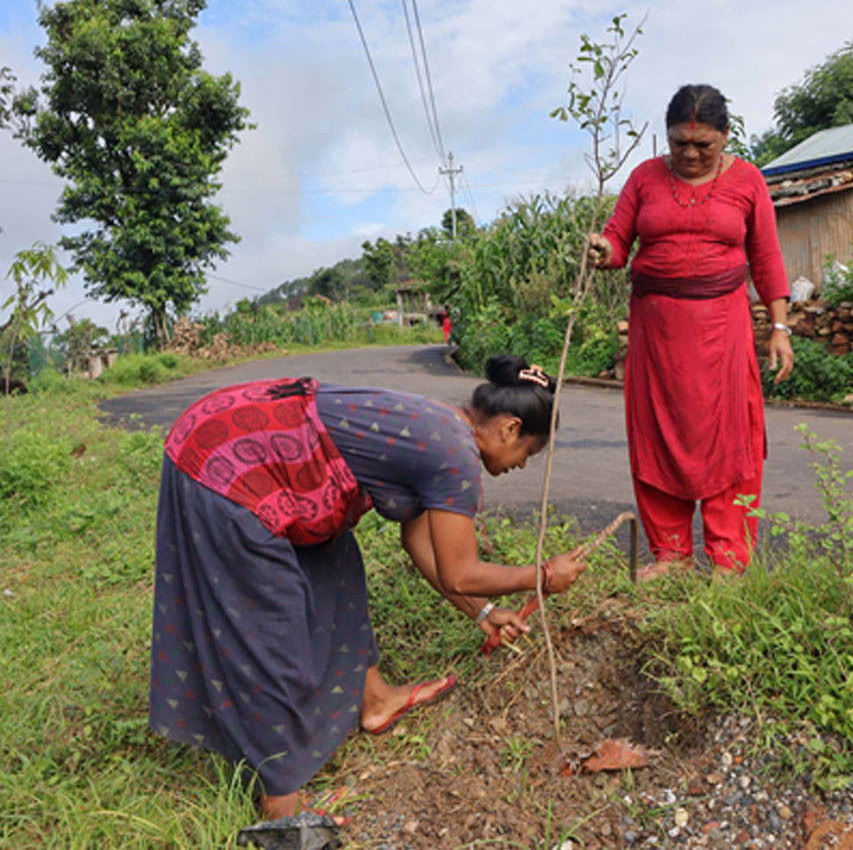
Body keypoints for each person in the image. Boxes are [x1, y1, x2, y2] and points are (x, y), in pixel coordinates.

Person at [148, 355, 589, 821]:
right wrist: (541, 576)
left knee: (336, 570)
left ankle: (374, 700)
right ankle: (283, 805)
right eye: (529, 453)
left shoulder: (443, 428)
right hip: (229, 465)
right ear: (509, 428)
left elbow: (420, 542)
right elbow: (462, 571)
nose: (522, 466)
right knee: (269, 632)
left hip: (237, 436)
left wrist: (482, 613)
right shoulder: (455, 455)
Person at [588, 83, 793, 577]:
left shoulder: (748, 181)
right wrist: (605, 251)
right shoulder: (644, 178)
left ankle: (728, 558)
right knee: (657, 437)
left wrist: (780, 327)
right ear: (667, 137)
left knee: (730, 440)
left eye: (704, 144)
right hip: (656, 337)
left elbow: (765, 257)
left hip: (723, 331)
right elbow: (619, 240)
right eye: (680, 142)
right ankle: (672, 554)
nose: (691, 154)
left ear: (725, 136)